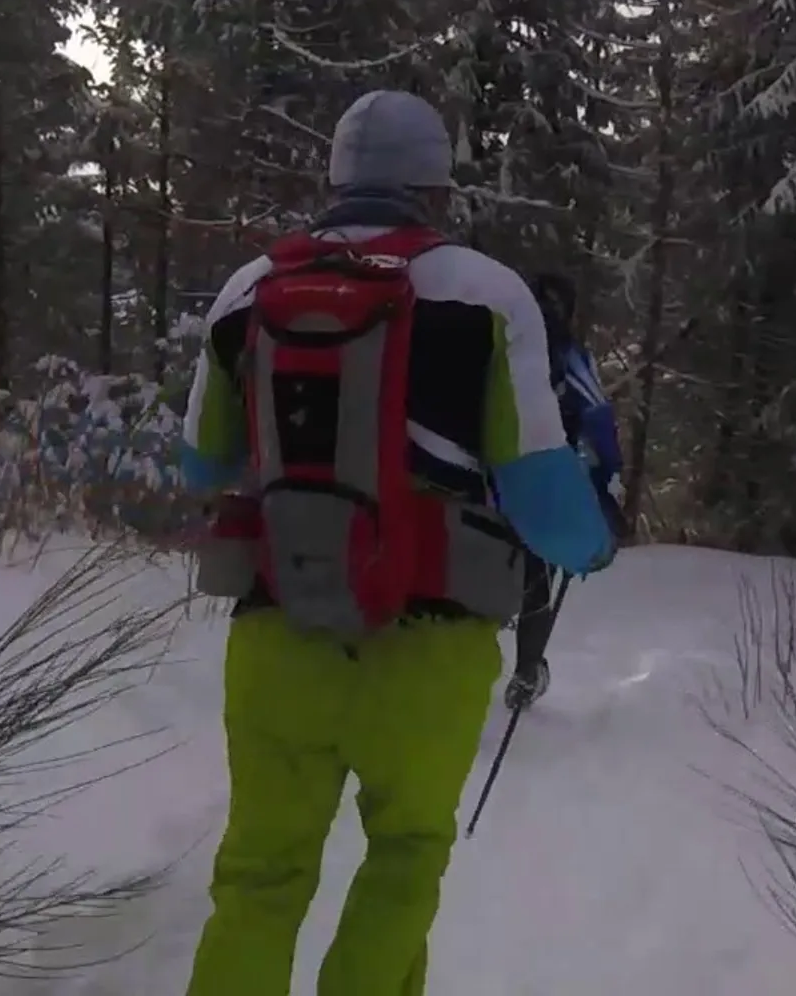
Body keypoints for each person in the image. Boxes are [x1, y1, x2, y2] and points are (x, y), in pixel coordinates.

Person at [176, 89, 617, 996]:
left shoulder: (247, 288)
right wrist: (591, 545)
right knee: (404, 860)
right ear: (438, 187)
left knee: (259, 872)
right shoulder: (489, 295)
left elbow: (199, 463)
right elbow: (544, 500)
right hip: (427, 648)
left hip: (276, 631)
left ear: (334, 177)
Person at [504, 271, 630, 712]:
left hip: (490, 472)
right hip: (546, 474)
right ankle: (526, 672)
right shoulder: (569, 355)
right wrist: (606, 475)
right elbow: (596, 414)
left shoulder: (503, 344)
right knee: (537, 572)